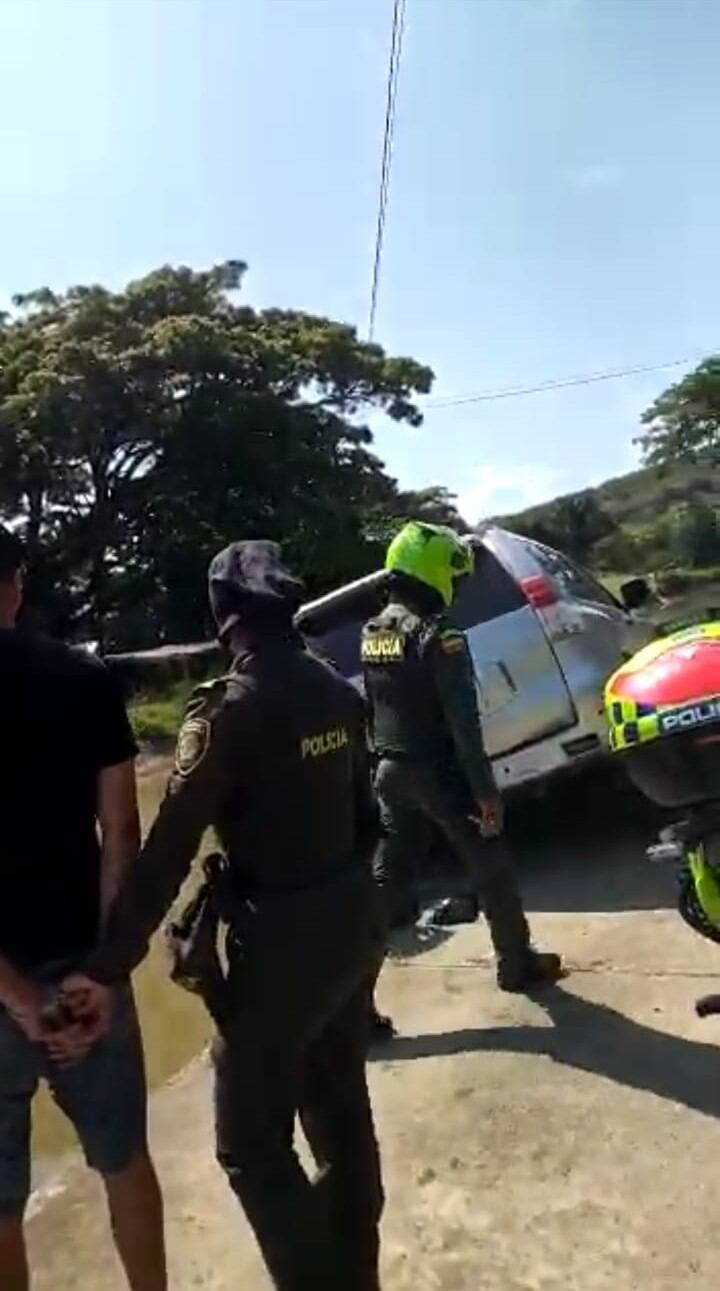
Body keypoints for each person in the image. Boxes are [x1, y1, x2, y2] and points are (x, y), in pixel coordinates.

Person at [65, 540, 386, 1291]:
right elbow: (369, 821)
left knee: (249, 1142)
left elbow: (168, 848)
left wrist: (108, 965)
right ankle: (356, 1270)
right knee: (340, 1110)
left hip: (278, 952)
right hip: (354, 925)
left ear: (225, 620)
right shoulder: (339, 690)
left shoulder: (229, 713)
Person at [0, 526, 166, 1291]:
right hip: (82, 970)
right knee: (123, 1158)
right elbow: (121, 833)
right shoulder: (85, 678)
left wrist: (17, 1000)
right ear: (18, 581)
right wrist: (104, 969)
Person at [362, 520, 563, 1018]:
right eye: (453, 574)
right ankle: (516, 965)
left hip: (390, 772)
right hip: (439, 774)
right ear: (431, 572)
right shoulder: (440, 634)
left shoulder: (375, 631)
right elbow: (464, 727)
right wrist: (487, 794)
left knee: (385, 886)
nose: (456, 585)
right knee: (491, 868)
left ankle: (350, 1005)